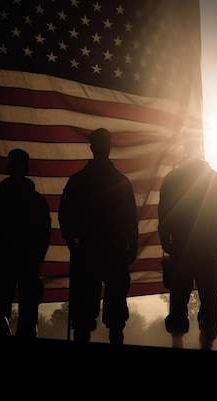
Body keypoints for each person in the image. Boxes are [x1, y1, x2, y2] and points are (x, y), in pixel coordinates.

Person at [58, 128, 139, 344]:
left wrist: (71, 243)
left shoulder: (79, 181)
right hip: (105, 251)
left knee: (106, 316)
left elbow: (131, 218)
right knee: (100, 316)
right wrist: (131, 245)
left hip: (94, 251)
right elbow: (131, 219)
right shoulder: (119, 182)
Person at [158, 131, 217, 350]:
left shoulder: (174, 179)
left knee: (183, 297)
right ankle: (202, 340)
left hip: (185, 247)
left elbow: (164, 214)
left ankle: (184, 339)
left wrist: (165, 240)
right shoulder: (213, 178)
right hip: (203, 247)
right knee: (205, 298)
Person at [0, 148, 51, 338]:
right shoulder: (34, 200)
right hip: (12, 261)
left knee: (20, 315)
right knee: (10, 315)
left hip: (13, 261)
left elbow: (44, 232)